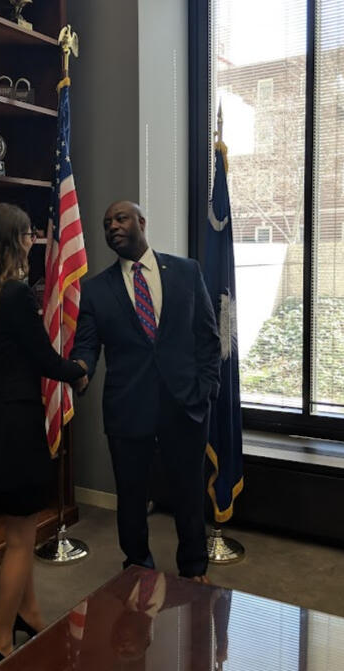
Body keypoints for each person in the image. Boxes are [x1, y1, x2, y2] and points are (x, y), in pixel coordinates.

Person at [0, 203, 86, 669]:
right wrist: (79, 371)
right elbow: (44, 359)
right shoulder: (14, 295)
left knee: (17, 531)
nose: (34, 242)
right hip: (16, 433)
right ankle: (0, 642)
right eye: (28, 235)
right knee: (21, 539)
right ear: (11, 241)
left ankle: (29, 613)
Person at [71, 200, 221, 580]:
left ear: (141, 222)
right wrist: (81, 369)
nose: (113, 226)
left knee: (188, 493)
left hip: (185, 404)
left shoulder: (186, 272)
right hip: (128, 407)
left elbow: (207, 336)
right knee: (132, 497)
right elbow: (86, 345)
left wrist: (206, 389)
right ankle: (137, 568)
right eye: (107, 223)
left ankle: (193, 568)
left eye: (120, 219)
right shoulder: (95, 290)